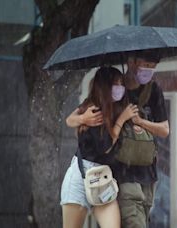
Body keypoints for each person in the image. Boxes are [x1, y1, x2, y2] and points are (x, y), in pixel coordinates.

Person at [66, 53, 169, 228]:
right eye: (146, 64)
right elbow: (71, 119)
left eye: (153, 66)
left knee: (140, 220)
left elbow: (165, 130)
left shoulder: (153, 90)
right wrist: (84, 119)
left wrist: (141, 123)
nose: (149, 70)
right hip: (120, 173)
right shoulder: (110, 92)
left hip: (147, 172)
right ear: (132, 62)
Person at [61, 67, 138, 228]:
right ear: (105, 86)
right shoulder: (93, 109)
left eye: (121, 84)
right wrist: (83, 118)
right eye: (115, 84)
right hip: (80, 176)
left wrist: (134, 123)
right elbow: (105, 146)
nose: (120, 88)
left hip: (104, 177)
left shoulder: (118, 108)